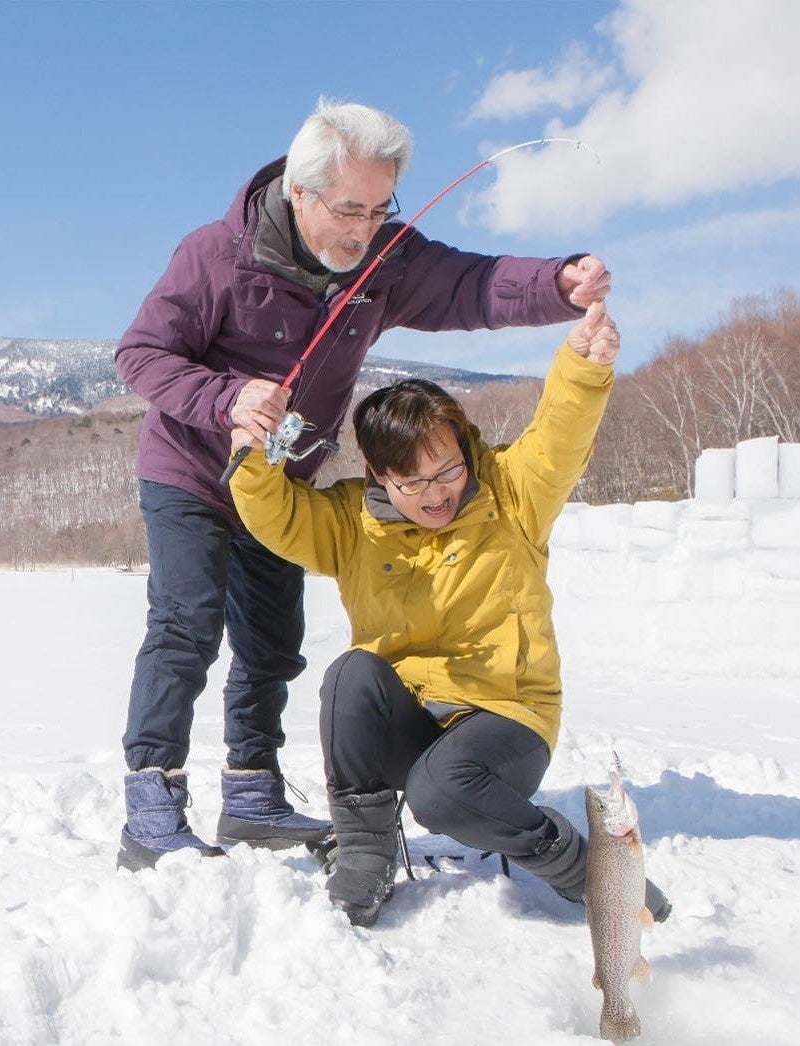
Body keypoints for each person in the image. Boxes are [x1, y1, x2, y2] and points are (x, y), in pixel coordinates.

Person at [112, 96, 611, 871]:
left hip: (285, 482)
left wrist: (556, 283)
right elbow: (140, 355)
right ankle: (150, 809)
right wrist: (225, 399)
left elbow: (468, 285)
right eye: (348, 209)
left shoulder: (381, 261)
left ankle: (249, 793)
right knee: (185, 629)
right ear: (298, 193)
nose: (362, 228)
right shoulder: (213, 255)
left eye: (380, 209)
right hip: (191, 471)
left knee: (272, 646)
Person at [228, 300, 672, 927]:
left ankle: (589, 871)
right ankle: (365, 851)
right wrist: (252, 455)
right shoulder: (353, 522)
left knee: (442, 793)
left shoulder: (511, 495)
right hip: (413, 717)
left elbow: (559, 439)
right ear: (381, 475)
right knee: (352, 676)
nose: (436, 493)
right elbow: (279, 514)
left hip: (507, 715)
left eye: (448, 470)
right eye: (412, 482)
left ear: (465, 451)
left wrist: (580, 367)